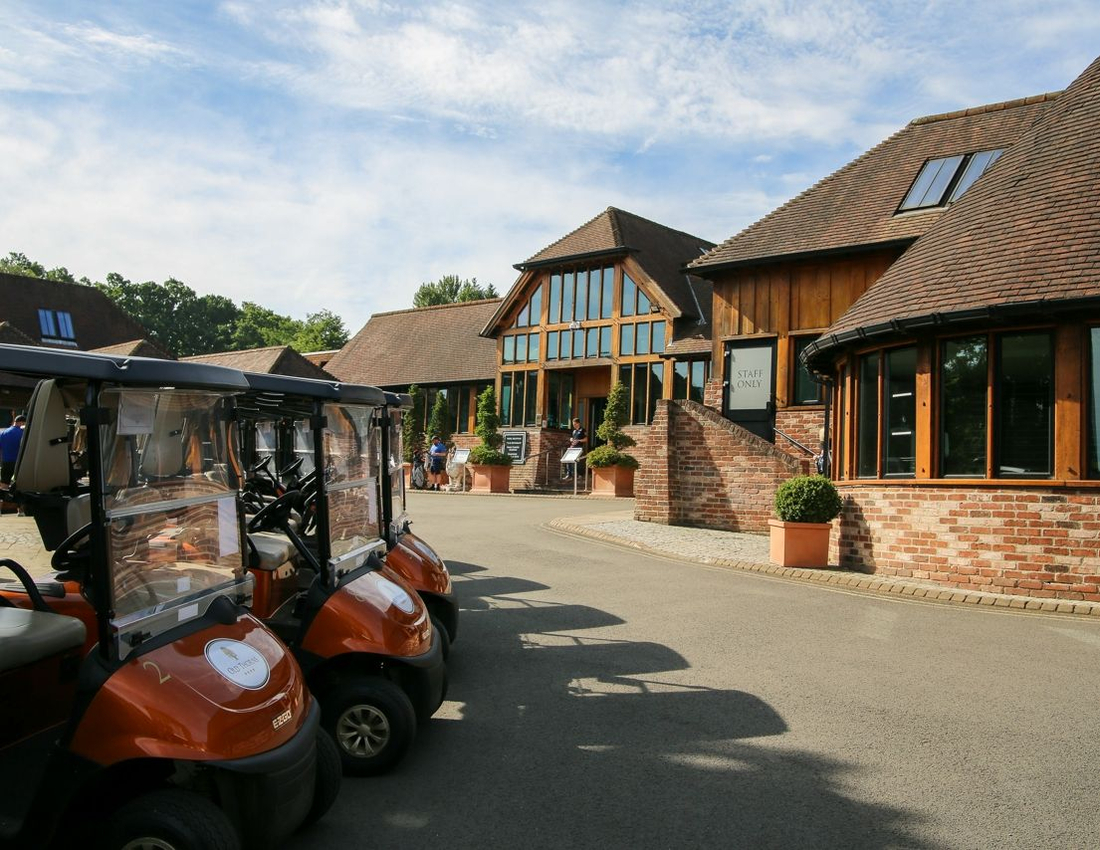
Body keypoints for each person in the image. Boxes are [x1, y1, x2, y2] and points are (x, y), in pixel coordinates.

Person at [1, 416, 26, 510]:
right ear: (22, 423)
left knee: (4, 485)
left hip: (6, 462)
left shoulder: (3, 432)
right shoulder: (23, 433)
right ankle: (21, 510)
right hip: (19, 462)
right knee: (21, 485)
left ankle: (1, 508)